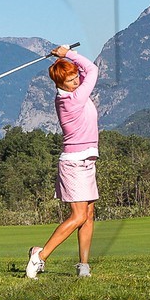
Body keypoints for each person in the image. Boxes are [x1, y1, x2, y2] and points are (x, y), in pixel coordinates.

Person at [26, 45, 99, 278]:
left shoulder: (73, 91)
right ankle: (40, 256)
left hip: (86, 161)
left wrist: (66, 58)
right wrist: (67, 54)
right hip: (74, 163)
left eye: (75, 76)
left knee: (88, 215)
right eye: (70, 79)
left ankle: (83, 267)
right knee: (78, 216)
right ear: (60, 83)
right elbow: (92, 69)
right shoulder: (72, 100)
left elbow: (84, 72)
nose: (76, 81)